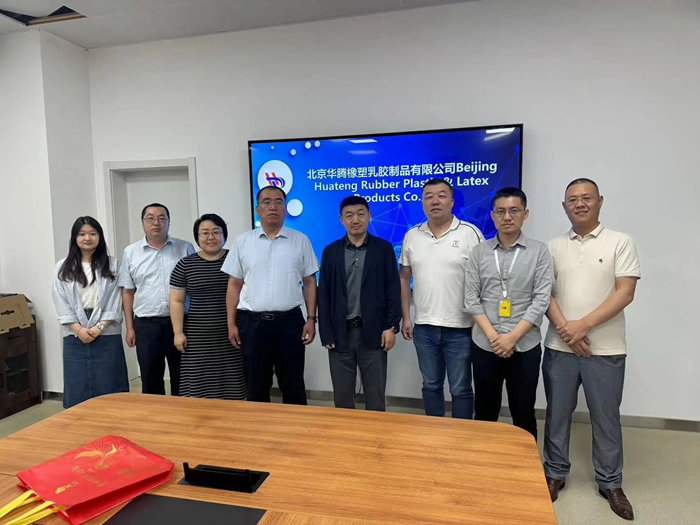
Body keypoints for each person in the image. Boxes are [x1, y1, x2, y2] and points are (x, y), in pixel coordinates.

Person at [543, 179, 640, 520]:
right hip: (559, 347)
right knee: (556, 414)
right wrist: (568, 332)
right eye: (572, 199)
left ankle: (610, 482)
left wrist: (581, 326)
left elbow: (625, 292)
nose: (579, 204)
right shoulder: (552, 246)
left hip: (606, 349)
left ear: (600, 201)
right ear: (564, 206)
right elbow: (545, 294)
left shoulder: (620, 242)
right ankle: (554, 474)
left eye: (586, 198)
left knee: (606, 417)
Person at [464, 187, 553, 439]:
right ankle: (485, 459)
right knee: (485, 410)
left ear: (526, 214)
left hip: (524, 345)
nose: (507, 217)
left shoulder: (539, 251)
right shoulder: (479, 252)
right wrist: (495, 338)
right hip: (485, 344)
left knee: (523, 411)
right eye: (501, 211)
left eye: (514, 211)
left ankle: (524, 463)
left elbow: (541, 299)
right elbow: (471, 299)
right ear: (492, 215)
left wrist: (511, 338)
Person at [223, 186, 319, 405]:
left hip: (290, 322)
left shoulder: (300, 240)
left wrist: (311, 319)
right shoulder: (243, 242)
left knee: (293, 385)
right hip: (252, 324)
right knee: (256, 386)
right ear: (258, 209)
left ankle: (294, 426)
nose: (272, 207)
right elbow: (234, 285)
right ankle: (258, 427)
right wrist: (231, 324)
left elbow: (310, 282)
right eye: (266, 202)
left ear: (285, 208)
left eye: (278, 202)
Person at [399, 178, 484, 418]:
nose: (435, 201)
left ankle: (460, 435)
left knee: (461, 388)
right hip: (424, 326)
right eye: (428, 196)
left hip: (461, 327)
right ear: (422, 202)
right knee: (431, 385)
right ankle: (433, 433)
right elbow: (404, 278)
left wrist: (480, 320)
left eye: (441, 195)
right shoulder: (412, 235)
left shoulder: (470, 233)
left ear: (452, 202)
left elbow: (484, 280)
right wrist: (406, 317)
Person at [318, 196, 401, 411]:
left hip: (374, 333)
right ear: (341, 219)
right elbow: (324, 294)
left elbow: (393, 290)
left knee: (375, 395)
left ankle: (375, 432)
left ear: (369, 216)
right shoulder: (331, 252)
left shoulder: (383, 249)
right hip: (340, 334)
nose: (355, 220)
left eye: (360, 214)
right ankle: (346, 432)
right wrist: (326, 333)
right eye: (349, 215)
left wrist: (391, 326)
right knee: (342, 396)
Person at [52, 216, 129, 409]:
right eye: (82, 234)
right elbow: (60, 299)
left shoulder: (113, 265)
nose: (87, 238)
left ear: (100, 237)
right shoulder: (62, 267)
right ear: (75, 238)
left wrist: (99, 328)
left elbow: (116, 299)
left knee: (110, 382)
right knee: (77, 384)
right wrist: (78, 329)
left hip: (106, 330)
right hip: (75, 332)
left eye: (93, 233)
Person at [118, 203, 195, 396]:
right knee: (150, 378)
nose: (156, 223)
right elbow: (128, 292)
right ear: (142, 223)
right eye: (150, 218)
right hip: (146, 325)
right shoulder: (131, 252)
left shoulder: (185, 248)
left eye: (162, 218)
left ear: (169, 222)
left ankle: (182, 413)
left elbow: (195, 287)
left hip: (181, 324)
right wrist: (130, 328)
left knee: (183, 378)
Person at [169, 214, 247, 400]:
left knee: (234, 383)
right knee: (199, 386)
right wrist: (178, 333)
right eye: (204, 233)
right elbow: (176, 301)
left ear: (224, 235)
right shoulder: (185, 264)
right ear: (197, 237)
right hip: (197, 337)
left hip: (232, 334)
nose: (210, 237)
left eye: (216, 232)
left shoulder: (236, 260)